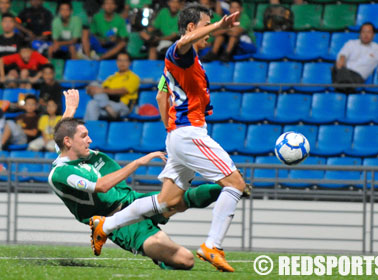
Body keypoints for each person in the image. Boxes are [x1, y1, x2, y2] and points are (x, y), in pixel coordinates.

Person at [90, 4, 246, 272]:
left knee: (167, 202)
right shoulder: (179, 53)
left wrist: (172, 130)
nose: (210, 31)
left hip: (179, 134)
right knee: (235, 184)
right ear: (191, 27)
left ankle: (106, 225)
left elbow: (161, 96)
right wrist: (221, 26)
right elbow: (183, 44)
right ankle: (213, 245)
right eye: (207, 25)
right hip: (189, 132)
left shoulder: (187, 62)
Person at [50, 89, 230, 270]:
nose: (89, 140)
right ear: (68, 142)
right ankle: (159, 258)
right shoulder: (61, 173)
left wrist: (70, 110)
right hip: (116, 221)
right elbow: (102, 186)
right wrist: (138, 162)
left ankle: (229, 188)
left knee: (179, 199)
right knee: (186, 260)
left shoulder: (73, 151)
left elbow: (61, 135)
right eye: (83, 136)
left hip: (131, 199)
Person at [332, 22, 378, 92]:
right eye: (363, 32)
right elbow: (343, 54)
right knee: (338, 67)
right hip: (344, 71)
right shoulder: (351, 43)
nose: (365, 35)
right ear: (360, 33)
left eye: (369, 32)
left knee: (340, 76)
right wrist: (342, 59)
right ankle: (345, 88)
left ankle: (341, 89)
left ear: (373, 35)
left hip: (358, 77)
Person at [84, 52, 140, 121]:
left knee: (93, 102)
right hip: (109, 105)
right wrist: (90, 89)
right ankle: (106, 108)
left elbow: (123, 91)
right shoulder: (112, 77)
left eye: (125, 60)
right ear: (116, 62)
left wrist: (102, 90)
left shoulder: (134, 77)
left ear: (130, 63)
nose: (122, 63)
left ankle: (87, 128)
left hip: (122, 106)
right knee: (92, 98)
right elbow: (97, 90)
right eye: (120, 60)